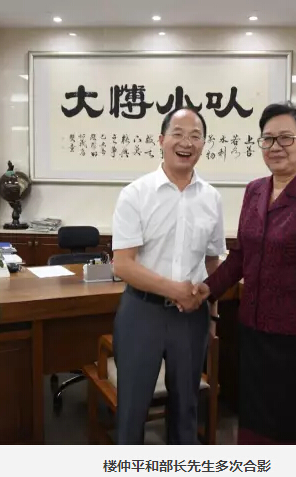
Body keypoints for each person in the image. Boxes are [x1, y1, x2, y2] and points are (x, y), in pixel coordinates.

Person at [199, 102, 296, 444]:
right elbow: (240, 257)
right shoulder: (255, 191)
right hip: (254, 335)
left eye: (286, 138)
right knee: (257, 428)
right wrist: (206, 290)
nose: (275, 146)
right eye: (267, 139)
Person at [111, 107, 225, 445]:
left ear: (203, 145)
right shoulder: (135, 194)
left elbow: (212, 261)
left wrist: (212, 313)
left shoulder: (212, 198)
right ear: (161, 140)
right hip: (141, 312)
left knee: (186, 407)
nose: (186, 142)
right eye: (178, 134)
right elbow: (123, 265)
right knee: (132, 409)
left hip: (191, 318)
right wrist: (175, 290)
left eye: (195, 136)